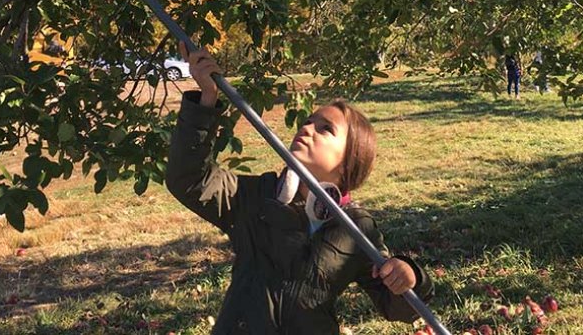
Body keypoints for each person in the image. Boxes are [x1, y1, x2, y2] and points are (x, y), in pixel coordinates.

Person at [166, 44, 435, 334]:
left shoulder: (356, 227)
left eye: (325, 129)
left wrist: (410, 276)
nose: (306, 129)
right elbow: (189, 179)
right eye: (308, 122)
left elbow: (399, 308)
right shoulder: (256, 197)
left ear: (349, 162)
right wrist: (206, 100)